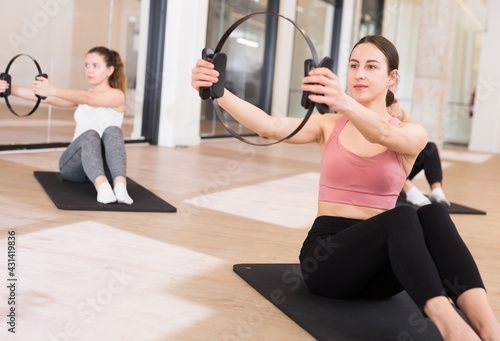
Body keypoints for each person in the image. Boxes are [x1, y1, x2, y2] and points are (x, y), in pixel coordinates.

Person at [191, 35, 500, 340]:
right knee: (403, 216)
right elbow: (269, 126)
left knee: (433, 214)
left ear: (393, 78)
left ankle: (490, 329)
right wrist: (219, 92)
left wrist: (342, 101)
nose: (359, 74)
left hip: (383, 273)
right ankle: (455, 331)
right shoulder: (328, 126)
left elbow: (381, 132)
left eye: (371, 66)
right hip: (328, 261)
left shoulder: (413, 133)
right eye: (353, 65)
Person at [11, 46, 133, 205]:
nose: (89, 70)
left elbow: (88, 99)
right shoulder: (82, 96)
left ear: (110, 70)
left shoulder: (117, 96)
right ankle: (102, 187)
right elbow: (46, 98)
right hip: (74, 166)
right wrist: (10, 89)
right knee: (90, 134)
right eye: (87, 65)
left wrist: (53, 89)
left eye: (96, 66)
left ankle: (120, 187)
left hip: (108, 167)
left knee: (113, 131)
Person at [388, 84, 451, 207]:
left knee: (430, 148)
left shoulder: (398, 110)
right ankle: (408, 188)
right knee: (389, 153)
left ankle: (436, 190)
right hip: (381, 168)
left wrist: (397, 113)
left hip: (402, 166)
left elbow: (408, 135)